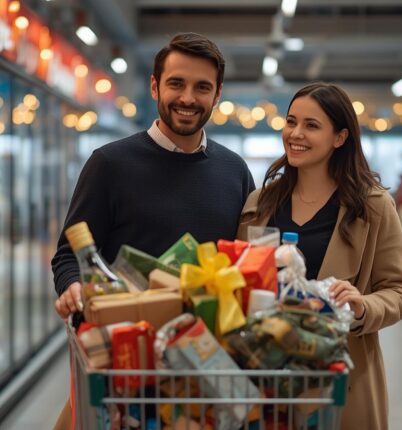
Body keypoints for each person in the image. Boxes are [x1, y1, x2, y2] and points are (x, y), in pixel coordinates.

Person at [51, 33, 254, 428]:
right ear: (155, 85)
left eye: (202, 87)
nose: (188, 98)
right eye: (177, 83)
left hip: (207, 362)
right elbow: (68, 255)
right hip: (127, 360)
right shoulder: (109, 164)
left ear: (217, 95)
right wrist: (72, 285)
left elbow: (246, 259)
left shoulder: (235, 171)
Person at [238, 83, 402, 430]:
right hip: (264, 377)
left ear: (340, 137)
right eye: (291, 121)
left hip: (341, 377)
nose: (296, 134)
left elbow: (399, 291)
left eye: (312, 125)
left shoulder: (372, 208)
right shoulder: (259, 205)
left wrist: (363, 305)